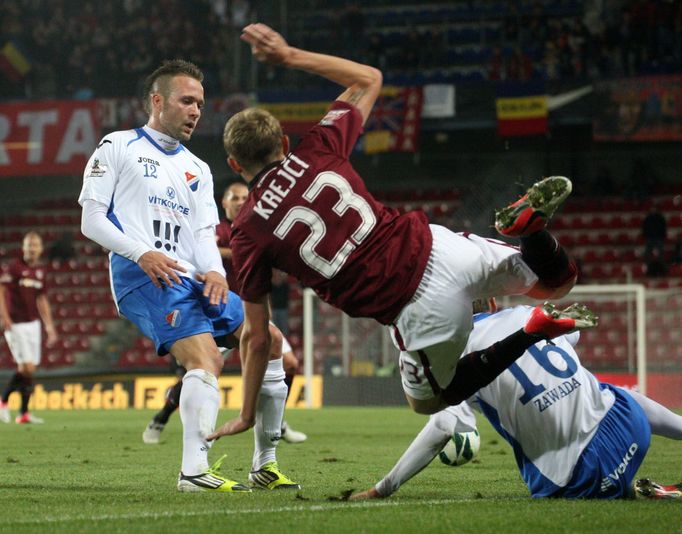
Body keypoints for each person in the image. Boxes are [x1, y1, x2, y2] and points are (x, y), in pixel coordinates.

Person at [209, 23, 584, 441]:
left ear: (235, 165)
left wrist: (245, 413)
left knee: (429, 402)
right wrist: (288, 56)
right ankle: (532, 234)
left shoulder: (247, 231)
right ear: (283, 139)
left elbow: (257, 338)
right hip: (439, 246)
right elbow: (369, 78)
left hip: (415, 307)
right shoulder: (317, 146)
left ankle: (529, 332)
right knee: (557, 282)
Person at [79, 59, 297, 492]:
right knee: (207, 359)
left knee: (269, 341)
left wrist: (215, 272)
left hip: (192, 277)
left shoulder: (198, 167)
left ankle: (264, 464)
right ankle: (194, 472)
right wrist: (142, 253)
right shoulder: (117, 146)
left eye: (200, 102)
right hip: (141, 275)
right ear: (158, 101)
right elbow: (91, 219)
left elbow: (201, 232)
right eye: (187, 101)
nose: (197, 110)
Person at [350, 301, 682, 500]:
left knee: (588, 466)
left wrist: (383, 488)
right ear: (491, 303)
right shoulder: (525, 312)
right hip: (630, 426)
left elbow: (442, 425)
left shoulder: (451, 357)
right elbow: (572, 336)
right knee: (608, 391)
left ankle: (632, 489)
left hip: (582, 473)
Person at [217, 181, 307, 443]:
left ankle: (277, 422)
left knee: (289, 364)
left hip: (254, 311)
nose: (241, 201)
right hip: (224, 311)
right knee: (205, 366)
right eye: (235, 197)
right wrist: (245, 251)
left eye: (246, 197)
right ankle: (164, 417)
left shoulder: (257, 228)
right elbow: (211, 251)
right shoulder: (219, 230)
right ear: (224, 202)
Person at [0, 231, 58, 424]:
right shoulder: (14, 268)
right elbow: (1, 291)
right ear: (23, 248)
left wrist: (49, 326)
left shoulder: (40, 272)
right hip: (16, 323)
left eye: (35, 245)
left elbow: (42, 299)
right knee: (28, 367)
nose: (32, 249)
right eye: (28, 245)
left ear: (40, 249)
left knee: (28, 369)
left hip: (33, 323)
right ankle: (4, 401)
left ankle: (23, 413)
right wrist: (4, 316)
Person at [641, 202, 668, 276]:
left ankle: (662, 271)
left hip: (658, 239)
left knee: (660, 256)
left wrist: (662, 236)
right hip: (650, 238)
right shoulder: (647, 218)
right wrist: (646, 236)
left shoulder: (660, 218)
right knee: (647, 255)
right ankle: (648, 271)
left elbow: (663, 228)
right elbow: (644, 228)